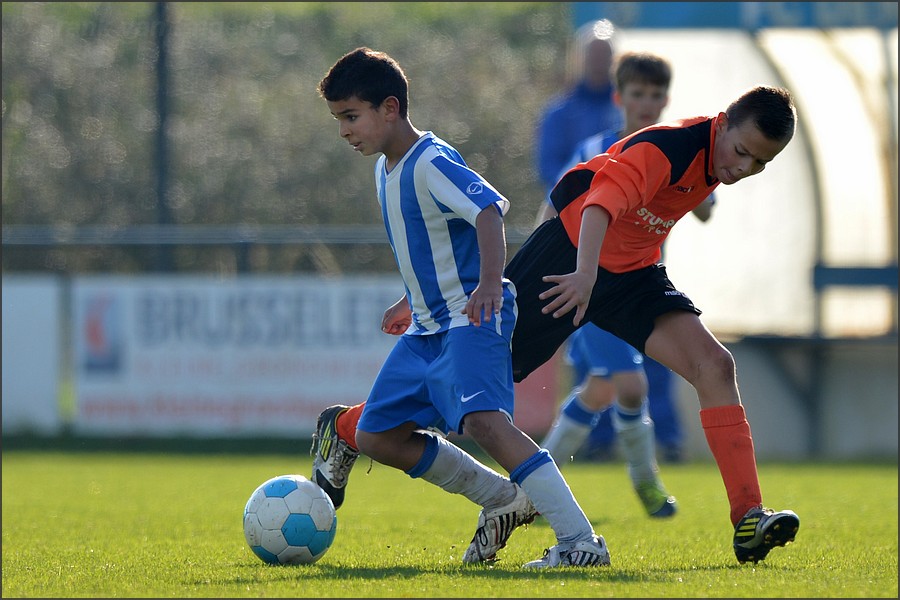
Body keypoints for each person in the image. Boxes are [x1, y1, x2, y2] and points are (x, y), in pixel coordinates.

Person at [312, 83, 801, 566]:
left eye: (760, 163)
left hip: (632, 275)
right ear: (723, 122)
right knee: (470, 390)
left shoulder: (714, 161)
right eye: (742, 152)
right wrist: (585, 275)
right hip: (565, 261)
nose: (744, 169)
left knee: (715, 366)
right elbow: (598, 203)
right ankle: (353, 426)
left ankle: (749, 517)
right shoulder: (668, 147)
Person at [314, 46, 609, 569]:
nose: (344, 130)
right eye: (339, 119)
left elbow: (489, 211)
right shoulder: (384, 169)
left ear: (389, 108)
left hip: (471, 317)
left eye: (350, 116)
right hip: (427, 324)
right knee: (375, 436)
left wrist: (491, 285)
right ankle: (501, 498)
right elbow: (431, 243)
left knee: (486, 424)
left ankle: (580, 541)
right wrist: (411, 298)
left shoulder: (430, 160)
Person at [539, 52, 716, 514]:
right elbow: (557, 204)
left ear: (665, 100)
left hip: (638, 287)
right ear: (620, 97)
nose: (647, 103)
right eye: (638, 94)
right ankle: (646, 482)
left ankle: (532, 492)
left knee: (601, 390)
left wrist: (699, 196)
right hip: (595, 287)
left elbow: (704, 204)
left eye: (656, 95)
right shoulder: (596, 151)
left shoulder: (676, 151)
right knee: (631, 385)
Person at [535, 19, 623, 196]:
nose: (599, 62)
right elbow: (548, 166)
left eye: (605, 55)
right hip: (570, 205)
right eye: (593, 55)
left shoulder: (626, 108)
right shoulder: (559, 112)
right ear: (580, 59)